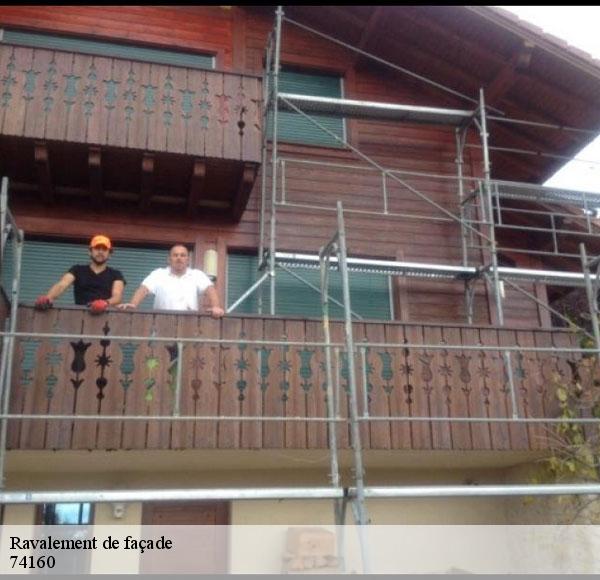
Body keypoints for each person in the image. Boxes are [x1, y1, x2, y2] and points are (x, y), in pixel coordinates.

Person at [118, 244, 224, 318]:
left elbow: (210, 290)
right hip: (162, 324)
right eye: (175, 255)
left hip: (189, 324)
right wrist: (133, 304)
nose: (179, 258)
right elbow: (143, 289)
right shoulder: (158, 274)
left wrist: (215, 307)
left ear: (187, 260)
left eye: (183, 255)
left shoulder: (197, 274)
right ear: (169, 259)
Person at [34, 235, 126, 314]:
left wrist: (105, 303)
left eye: (104, 249)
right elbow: (62, 284)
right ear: (89, 252)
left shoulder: (116, 274)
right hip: (79, 316)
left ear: (109, 255)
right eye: (97, 248)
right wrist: (48, 298)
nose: (100, 252)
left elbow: (117, 296)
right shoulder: (77, 270)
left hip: (106, 319)